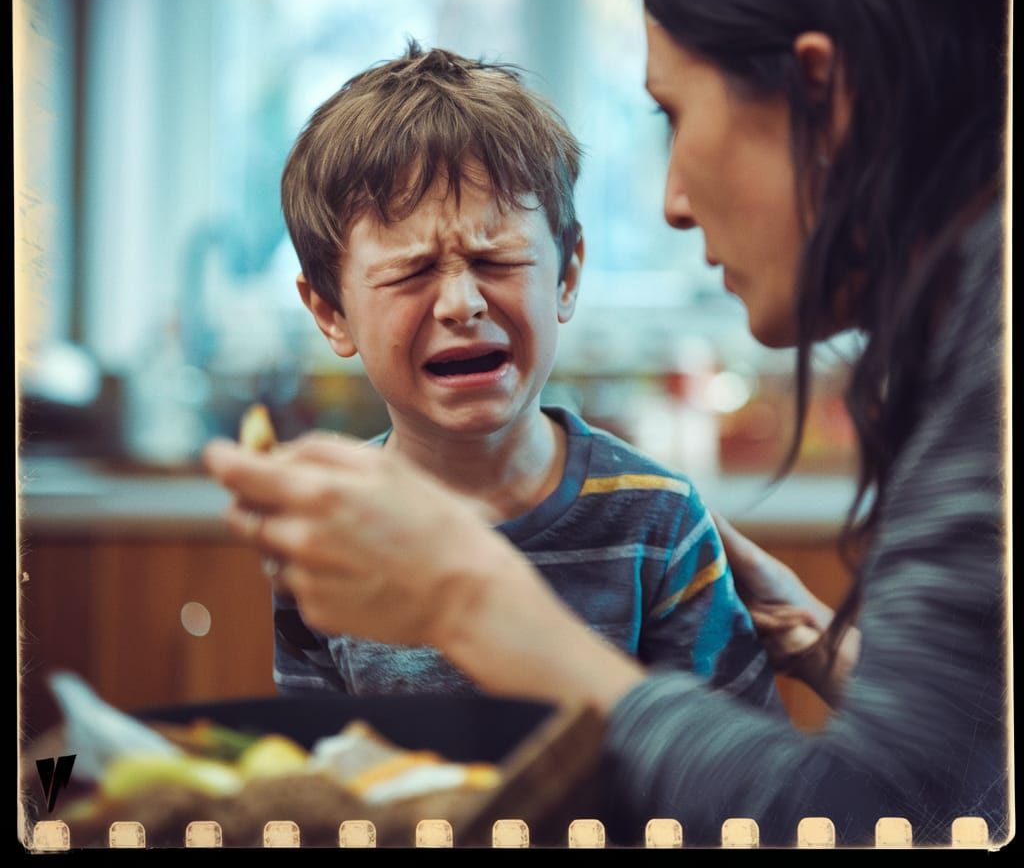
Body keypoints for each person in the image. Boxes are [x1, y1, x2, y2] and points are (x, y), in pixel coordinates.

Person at [205, 0, 1010, 846]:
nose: (670, 201)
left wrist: (472, 599)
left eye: (673, 112)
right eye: (412, 271)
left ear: (819, 95)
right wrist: (833, 648)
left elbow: (845, 813)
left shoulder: (670, 513)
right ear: (326, 308)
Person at [261, 42, 777, 707]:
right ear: (331, 311)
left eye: (498, 260)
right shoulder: (334, 531)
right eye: (411, 272)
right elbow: (315, 778)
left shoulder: (658, 521)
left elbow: (736, 781)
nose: (462, 303)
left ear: (566, 275)